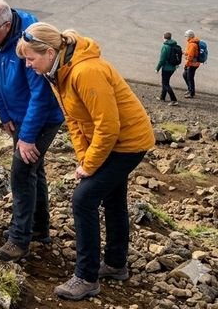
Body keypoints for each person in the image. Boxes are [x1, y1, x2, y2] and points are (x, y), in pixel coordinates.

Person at [16, 23, 154, 301]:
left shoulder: (85, 71)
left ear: (50, 51)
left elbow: (108, 126)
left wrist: (90, 166)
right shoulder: (57, 72)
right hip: (110, 143)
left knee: (83, 200)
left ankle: (86, 277)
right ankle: (115, 265)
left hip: (128, 142)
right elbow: (74, 120)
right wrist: (84, 157)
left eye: (31, 59)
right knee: (113, 199)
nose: (28, 65)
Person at [0, 0, 64, 262]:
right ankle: (38, 229)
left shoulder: (30, 38)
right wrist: (4, 114)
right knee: (34, 171)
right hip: (16, 115)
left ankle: (19, 240)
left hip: (41, 117)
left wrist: (26, 137)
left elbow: (42, 94)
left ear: (6, 26)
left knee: (22, 172)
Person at [155, 32, 180, 105]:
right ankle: (162, 97)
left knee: (165, 84)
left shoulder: (165, 46)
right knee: (165, 82)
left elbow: (162, 60)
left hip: (166, 68)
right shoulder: (174, 45)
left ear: (164, 38)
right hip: (173, 67)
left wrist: (157, 68)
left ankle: (174, 100)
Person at [182, 29, 201, 98]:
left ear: (190, 36)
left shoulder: (192, 44)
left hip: (192, 64)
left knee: (190, 77)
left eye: (186, 36)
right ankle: (190, 89)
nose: (186, 37)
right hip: (194, 63)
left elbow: (190, 56)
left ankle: (191, 93)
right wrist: (184, 53)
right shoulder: (191, 42)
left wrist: (186, 65)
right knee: (185, 75)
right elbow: (189, 52)